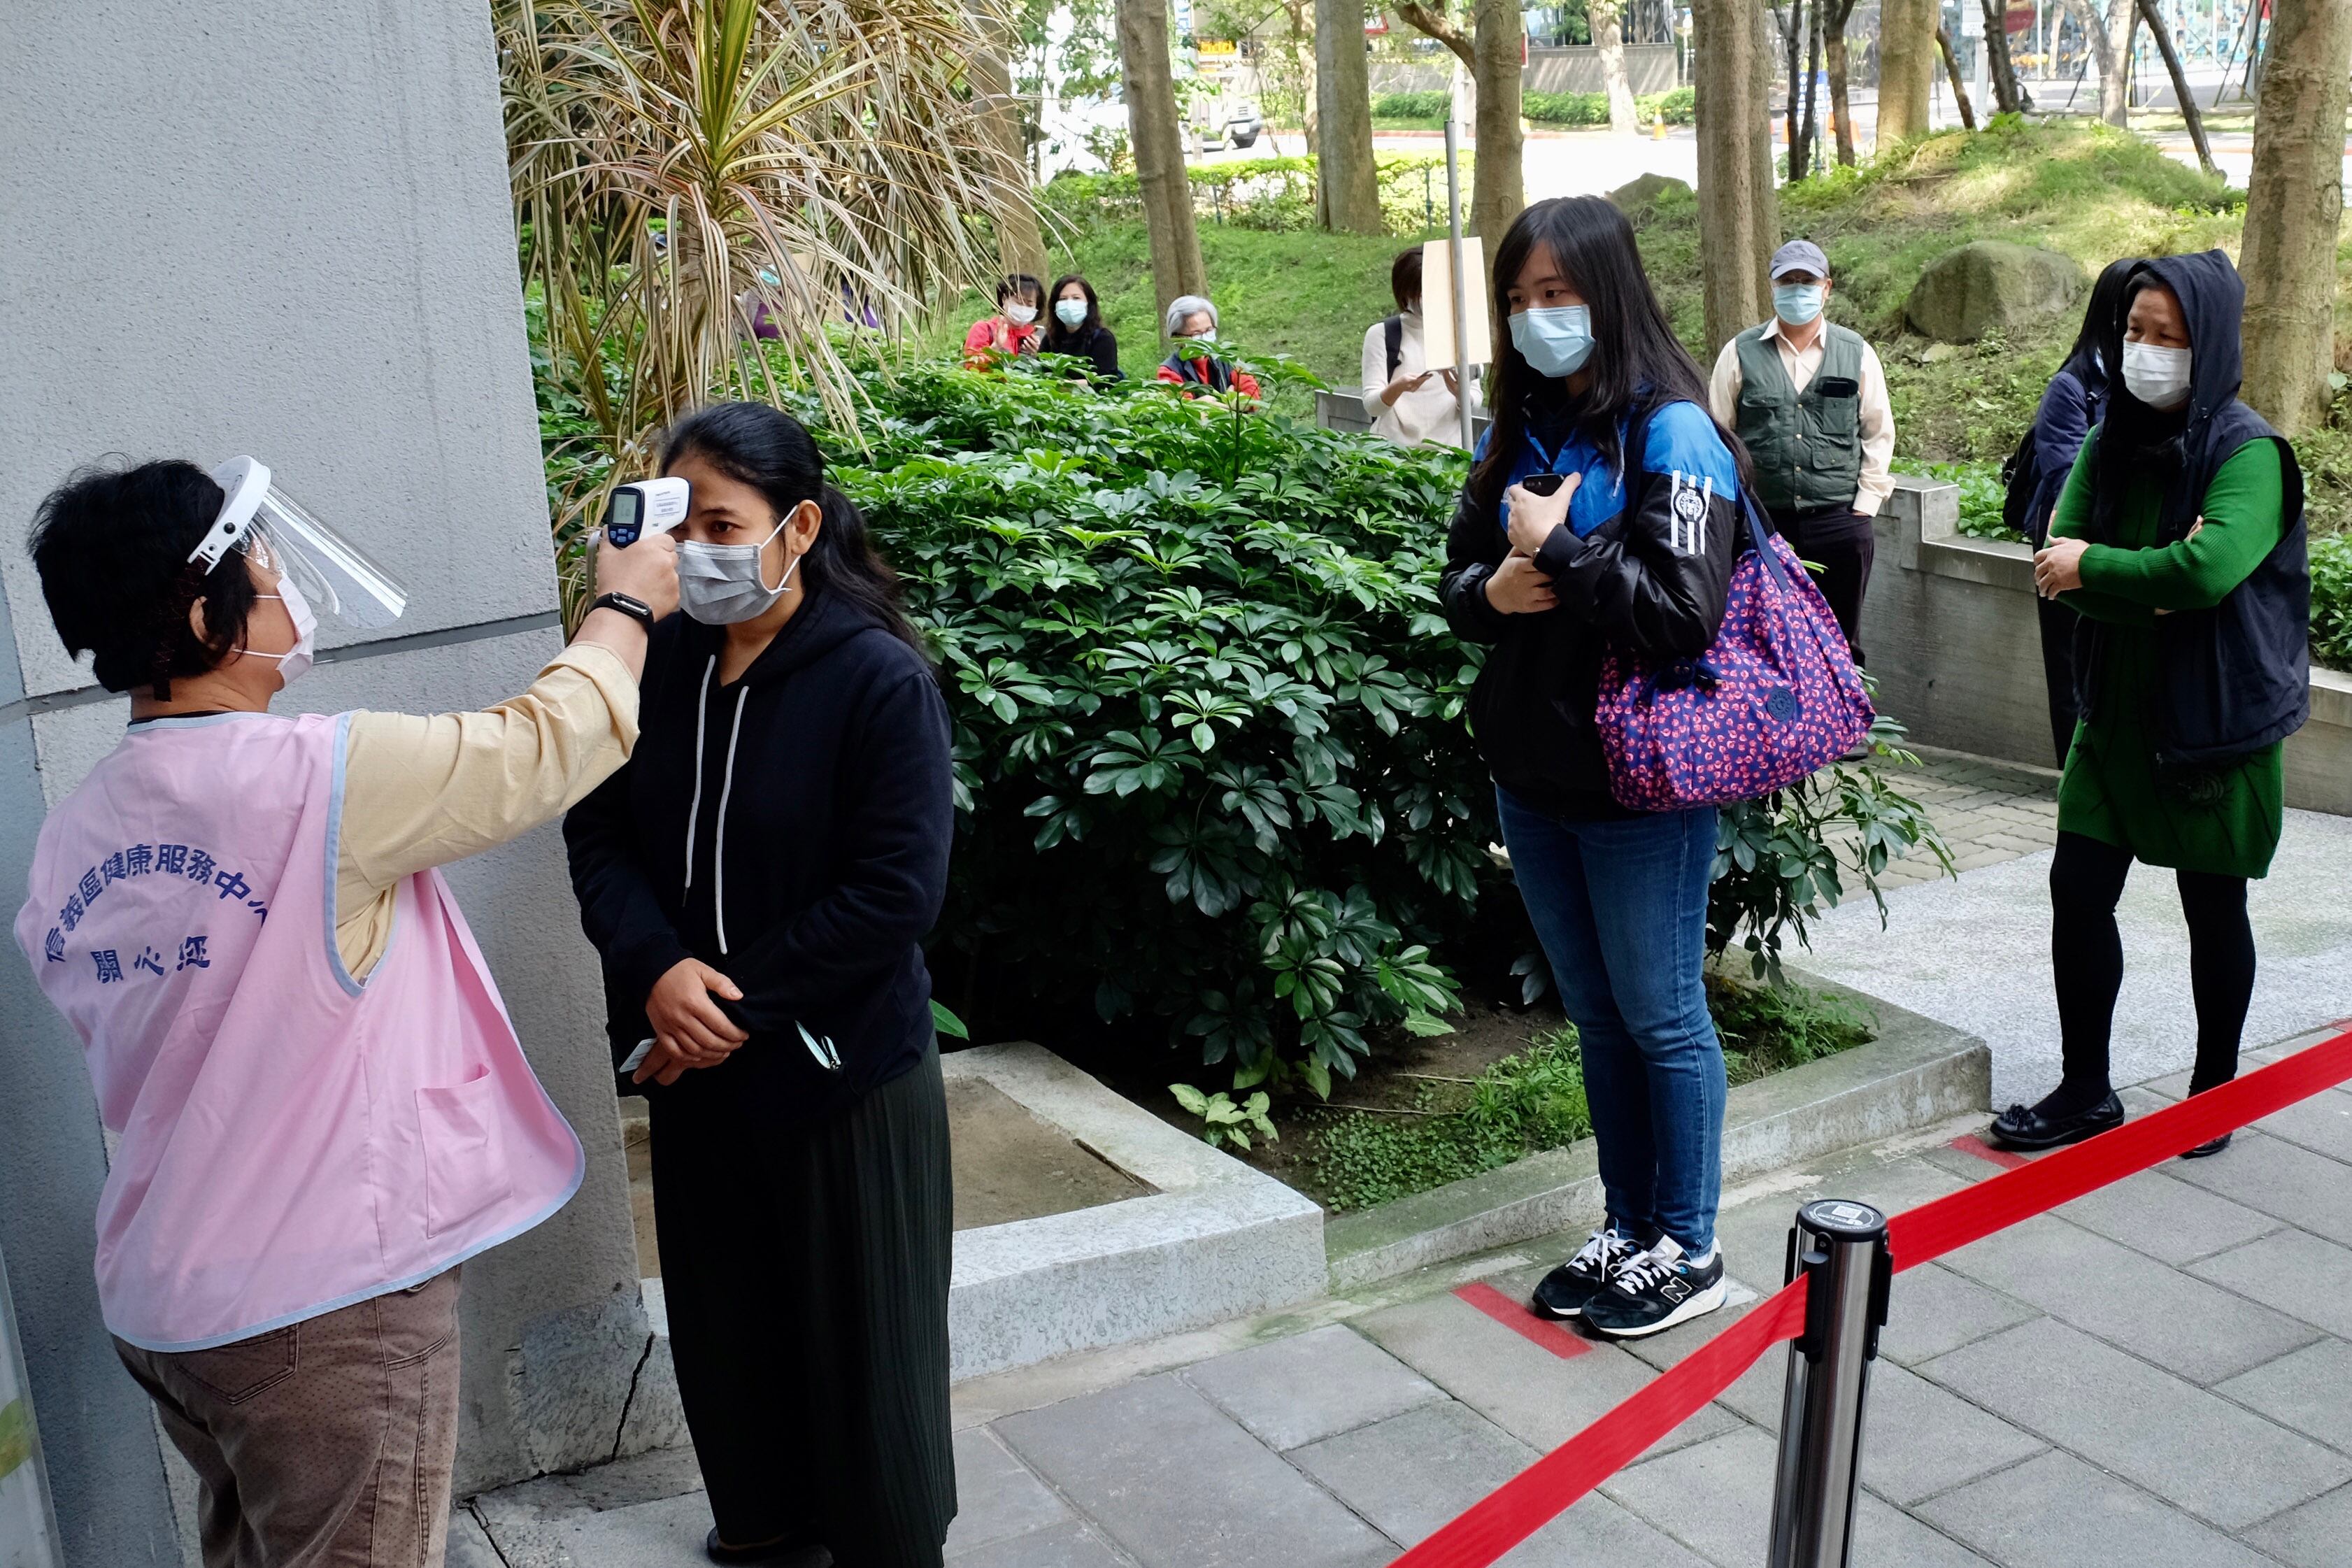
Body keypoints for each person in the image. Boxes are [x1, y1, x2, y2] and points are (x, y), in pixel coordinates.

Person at [13, 456, 680, 1567]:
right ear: (200, 613)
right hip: (321, 1308)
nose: (285, 590)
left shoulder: (72, 839)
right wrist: (622, 604)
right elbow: (545, 743)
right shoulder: (319, 778)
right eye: (264, 568)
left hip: (168, 1299)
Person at [564, 403, 957, 1567]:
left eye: (721, 524)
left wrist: (717, 999)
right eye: (680, 524)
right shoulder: (660, 662)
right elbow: (596, 835)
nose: (694, 552)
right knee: (731, 1343)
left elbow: (894, 895)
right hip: (700, 1079)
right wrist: (655, 969)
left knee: (865, 1357)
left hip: (845, 1081)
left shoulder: (877, 680)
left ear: (798, 526)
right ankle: (766, 1530)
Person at [1439, 197, 1749, 1340]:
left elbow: (1682, 614)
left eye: (1556, 296)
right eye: (1519, 301)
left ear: (1605, 295)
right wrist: (1496, 589)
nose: (1536, 320)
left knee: (1661, 1015)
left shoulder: (1670, 431)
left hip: (1640, 783)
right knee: (1598, 1017)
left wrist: (1557, 554)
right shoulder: (1518, 430)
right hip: (1533, 772)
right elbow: (1458, 580)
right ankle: (1628, 1222)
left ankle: (1691, 1241)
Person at [1992, 250, 2309, 1157]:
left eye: (2165, 336)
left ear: (2204, 344)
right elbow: (2058, 564)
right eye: (2133, 331)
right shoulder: (2107, 438)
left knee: (2212, 908)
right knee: (2076, 891)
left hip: (2214, 723)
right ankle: (2083, 1087)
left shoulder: (2247, 452)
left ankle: (2210, 1094)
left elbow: (2206, 570)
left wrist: (2102, 566)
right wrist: (2143, 583)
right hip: (2114, 711)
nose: (2144, 350)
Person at [1707, 238, 1894, 664]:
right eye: (1787, 281)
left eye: (1806, 280)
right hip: (1762, 524)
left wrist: (1865, 505)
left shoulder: (1856, 352)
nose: (1797, 289)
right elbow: (1717, 435)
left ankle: (1844, 725)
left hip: (1840, 522)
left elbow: (1878, 431)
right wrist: (1733, 512)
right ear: (1772, 289)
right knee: (1761, 639)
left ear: (1826, 288)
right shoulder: (1739, 352)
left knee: (1842, 642)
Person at [2015, 258, 2141, 766]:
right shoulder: (2072, 388)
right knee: (2070, 661)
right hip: (2066, 542)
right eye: (2134, 319)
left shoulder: (2145, 388)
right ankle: (2074, 772)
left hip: (2120, 547)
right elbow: (2068, 478)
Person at [1361, 245, 1483, 448]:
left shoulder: (1461, 332)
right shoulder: (1382, 334)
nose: (1426, 299)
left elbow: (1475, 400)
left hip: (1447, 457)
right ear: (1404, 292)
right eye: (1419, 293)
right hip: (1392, 457)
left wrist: (1459, 392)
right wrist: (1398, 387)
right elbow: (1372, 406)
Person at [1156, 295, 1262, 401]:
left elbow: (1252, 393)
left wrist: (1214, 403)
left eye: (1209, 330)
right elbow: (1183, 411)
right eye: (1196, 334)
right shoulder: (1169, 371)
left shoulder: (1227, 358)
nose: (1204, 338)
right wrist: (1230, 400)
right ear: (1178, 338)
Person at [1041, 273, 1122, 380]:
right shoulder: (1050, 339)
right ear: (1055, 305)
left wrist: (1064, 386)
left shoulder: (1102, 338)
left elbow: (1105, 381)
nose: (1069, 303)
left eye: (1076, 298)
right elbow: (1041, 374)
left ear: (1089, 304)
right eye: (1063, 299)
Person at [964, 273, 1043, 367]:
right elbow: (971, 368)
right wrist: (995, 348)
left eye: (1029, 305)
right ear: (1004, 299)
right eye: (1018, 302)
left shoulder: (1036, 336)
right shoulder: (983, 329)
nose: (1023, 308)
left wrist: (1037, 354)